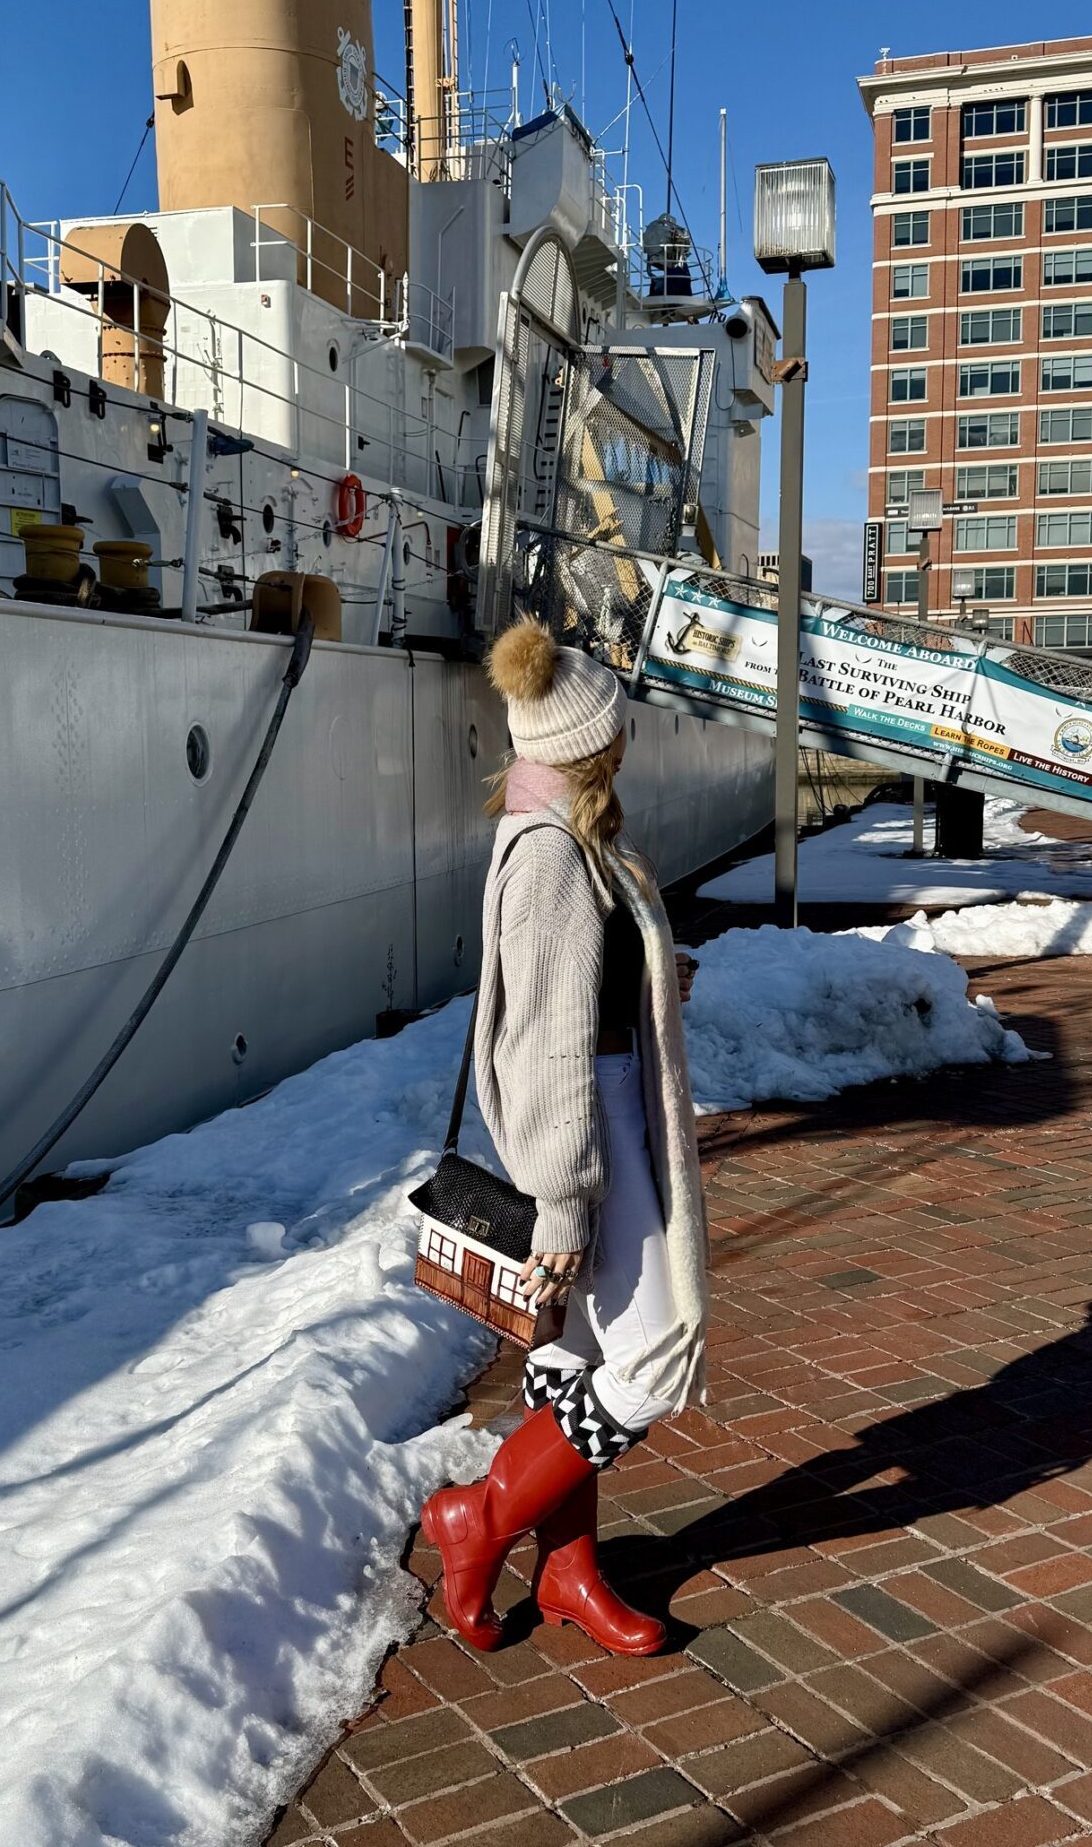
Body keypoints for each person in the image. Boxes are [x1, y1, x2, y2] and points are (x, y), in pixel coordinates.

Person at [420, 616, 709, 1656]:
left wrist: (645, 986)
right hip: (589, 1131)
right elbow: (545, 1044)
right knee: (658, 1355)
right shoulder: (550, 853)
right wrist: (564, 1191)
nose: (626, 743)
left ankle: (568, 1570)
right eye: (617, 731)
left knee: (577, 1351)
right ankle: (481, 1518)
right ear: (592, 740)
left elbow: (570, 998)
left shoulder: (564, 828)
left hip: (600, 1108)